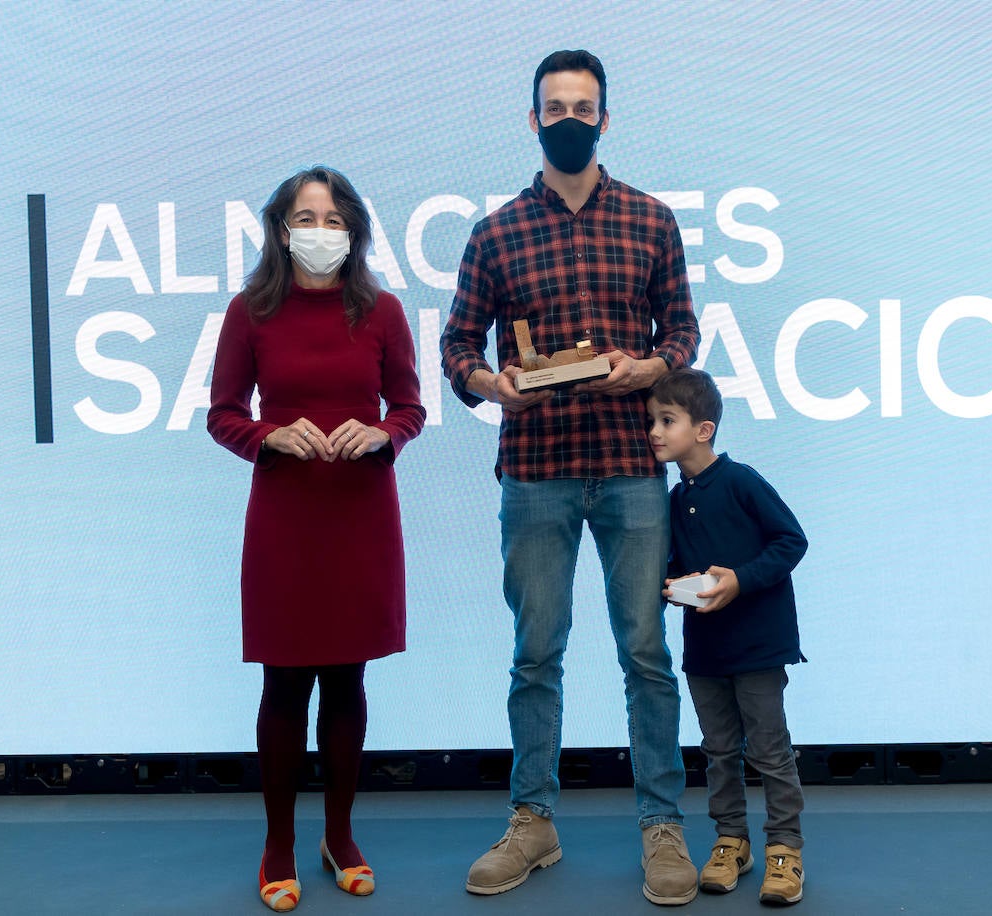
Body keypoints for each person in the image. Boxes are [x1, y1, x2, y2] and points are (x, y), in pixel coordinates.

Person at [440, 49, 701, 906]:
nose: (569, 120)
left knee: (646, 655)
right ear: (532, 120)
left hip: (630, 468)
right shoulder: (497, 231)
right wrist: (490, 385)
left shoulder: (652, 221)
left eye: (583, 106)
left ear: (606, 118)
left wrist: (648, 368)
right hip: (538, 473)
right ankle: (533, 822)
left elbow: (684, 335)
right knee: (535, 656)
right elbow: (456, 348)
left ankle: (662, 824)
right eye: (554, 107)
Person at [207, 166, 425, 912]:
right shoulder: (251, 312)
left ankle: (339, 834)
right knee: (284, 683)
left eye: (335, 220)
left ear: (355, 231)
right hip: (285, 518)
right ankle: (277, 845)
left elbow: (410, 408)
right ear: (279, 228)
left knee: (347, 680)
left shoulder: (384, 311)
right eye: (308, 218)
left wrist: (382, 433)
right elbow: (223, 413)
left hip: (361, 513)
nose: (322, 232)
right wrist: (270, 435)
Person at [648, 367, 810, 906]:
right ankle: (730, 841)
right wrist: (672, 586)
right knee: (719, 750)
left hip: (760, 645)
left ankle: (786, 848)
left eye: (666, 420)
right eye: (652, 420)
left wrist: (740, 579)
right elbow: (678, 564)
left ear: (704, 429)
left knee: (768, 749)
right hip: (707, 650)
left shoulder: (741, 481)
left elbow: (791, 541)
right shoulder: (674, 499)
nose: (654, 431)